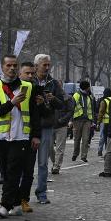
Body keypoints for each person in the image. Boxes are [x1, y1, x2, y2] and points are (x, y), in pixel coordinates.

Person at [0, 55, 41, 218]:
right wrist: (12, 103)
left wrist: (36, 135)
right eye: (8, 65)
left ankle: (4, 205)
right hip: (1, 137)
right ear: (3, 67)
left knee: (14, 170)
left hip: (21, 136)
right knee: (6, 172)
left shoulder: (28, 87)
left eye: (15, 65)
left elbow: (35, 113)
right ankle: (15, 203)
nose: (12, 68)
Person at [32, 54, 64, 204]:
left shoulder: (54, 83)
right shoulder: (29, 80)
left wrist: (53, 99)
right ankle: (21, 193)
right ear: (36, 65)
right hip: (29, 125)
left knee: (43, 162)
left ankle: (42, 192)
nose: (47, 67)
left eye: (48, 65)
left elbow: (62, 103)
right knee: (25, 162)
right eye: (44, 65)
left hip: (45, 125)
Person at [16, 62, 40, 212]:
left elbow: (37, 115)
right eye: (27, 73)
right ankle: (10, 199)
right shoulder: (7, 88)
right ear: (20, 74)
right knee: (11, 172)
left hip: (28, 135)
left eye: (32, 73)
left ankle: (24, 199)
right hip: (10, 137)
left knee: (28, 171)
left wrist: (36, 135)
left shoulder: (35, 89)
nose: (30, 76)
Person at [52, 81, 74, 175]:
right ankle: (54, 162)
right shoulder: (50, 96)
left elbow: (70, 111)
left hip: (61, 125)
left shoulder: (68, 97)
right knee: (49, 147)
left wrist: (63, 120)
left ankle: (56, 166)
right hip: (50, 125)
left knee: (60, 148)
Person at [71, 80, 95, 163]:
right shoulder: (76, 95)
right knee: (77, 139)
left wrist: (92, 120)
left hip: (87, 120)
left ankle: (84, 156)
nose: (89, 88)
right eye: (88, 87)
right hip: (77, 120)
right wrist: (71, 120)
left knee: (85, 139)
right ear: (86, 87)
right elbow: (71, 108)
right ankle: (75, 153)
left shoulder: (90, 96)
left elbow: (92, 109)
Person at [96, 88, 111, 157]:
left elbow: (101, 112)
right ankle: (110, 151)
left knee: (102, 137)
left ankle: (100, 150)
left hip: (104, 121)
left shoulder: (103, 101)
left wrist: (98, 122)